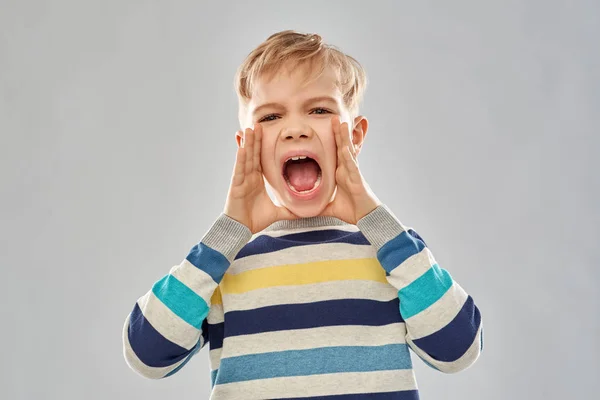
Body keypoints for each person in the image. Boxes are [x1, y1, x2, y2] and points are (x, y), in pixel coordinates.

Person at [122, 30, 483, 399]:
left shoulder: (393, 252)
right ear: (246, 145)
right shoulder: (222, 263)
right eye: (271, 116)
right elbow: (147, 355)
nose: (295, 130)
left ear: (355, 136)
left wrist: (375, 221)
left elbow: (458, 351)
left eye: (319, 110)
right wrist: (227, 234)